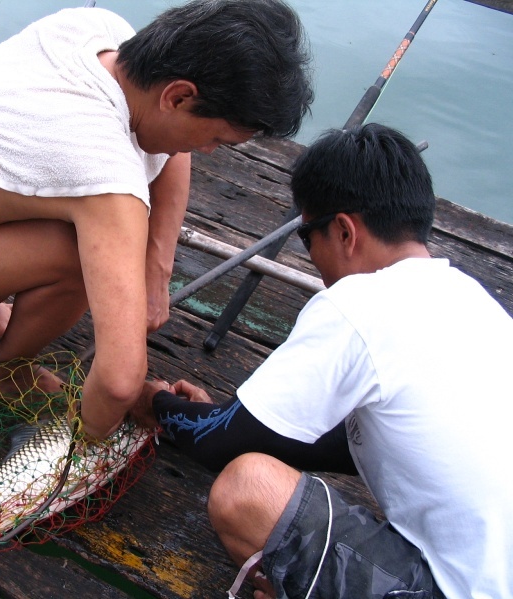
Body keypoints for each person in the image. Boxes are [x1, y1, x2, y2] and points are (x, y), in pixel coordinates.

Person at [0, 0, 313, 440]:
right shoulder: (103, 172)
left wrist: (156, 269)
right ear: (179, 96)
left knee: (116, 236)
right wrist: (84, 445)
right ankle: (7, 372)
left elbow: (174, 154)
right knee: (87, 252)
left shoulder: (102, 33)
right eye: (218, 140)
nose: (206, 151)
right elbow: (122, 382)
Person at [134, 124, 513, 598]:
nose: (310, 254)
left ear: (343, 230)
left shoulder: (359, 305)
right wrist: (227, 419)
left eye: (307, 236)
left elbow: (218, 448)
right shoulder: (473, 299)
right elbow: (351, 446)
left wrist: (156, 405)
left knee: (246, 490)